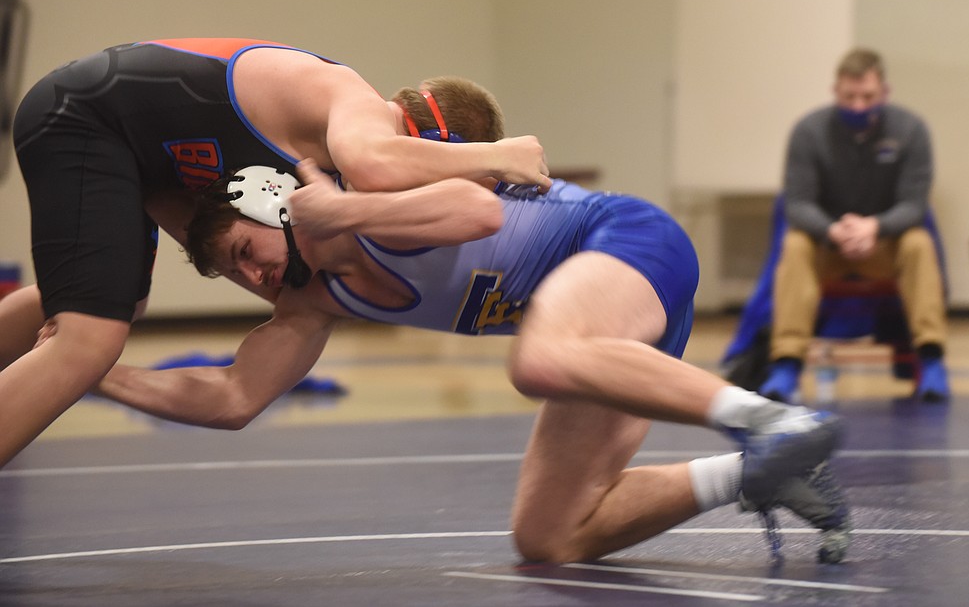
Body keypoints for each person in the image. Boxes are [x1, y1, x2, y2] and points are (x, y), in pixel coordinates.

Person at [91, 78, 852, 565]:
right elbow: (232, 397)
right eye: (233, 271)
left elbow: (477, 204)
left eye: (246, 250)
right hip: (606, 313)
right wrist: (95, 374)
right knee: (550, 535)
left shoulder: (351, 211)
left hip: (624, 243)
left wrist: (342, 205)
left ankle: (768, 420)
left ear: (276, 206)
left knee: (538, 359)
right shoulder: (313, 300)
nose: (251, 275)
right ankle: (758, 472)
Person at [1, 38, 551, 469]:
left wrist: (101, 376)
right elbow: (377, 165)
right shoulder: (352, 106)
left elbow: (237, 400)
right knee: (92, 334)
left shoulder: (325, 233)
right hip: (87, 114)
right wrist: (500, 156)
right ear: (424, 141)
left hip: (132, 156)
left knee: (107, 309)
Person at [758, 48, 950, 403]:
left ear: (885, 92)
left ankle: (932, 360)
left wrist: (874, 228)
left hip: (884, 245)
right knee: (795, 243)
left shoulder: (911, 130)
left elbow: (915, 203)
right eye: (850, 97)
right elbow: (797, 204)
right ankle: (786, 364)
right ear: (836, 92)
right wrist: (834, 231)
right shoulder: (808, 131)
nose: (859, 106)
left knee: (919, 242)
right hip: (827, 246)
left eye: (868, 97)